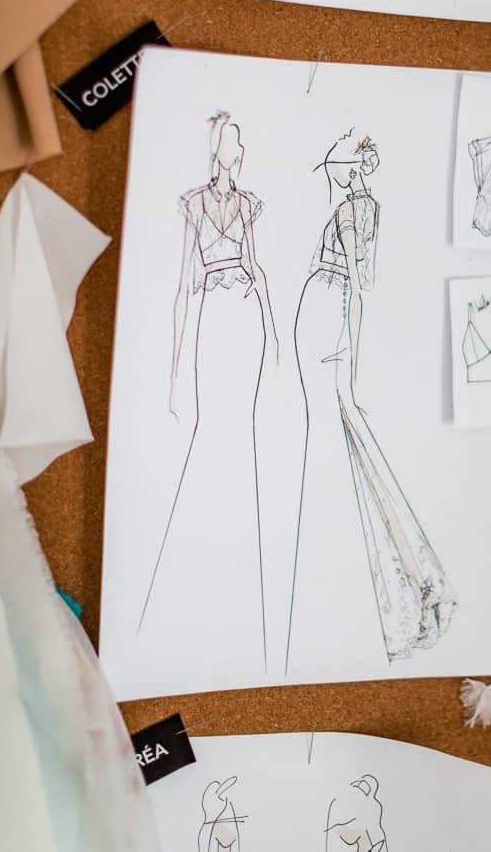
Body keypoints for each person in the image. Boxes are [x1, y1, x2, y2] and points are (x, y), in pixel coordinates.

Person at [283, 132, 455, 677]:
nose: (332, 170)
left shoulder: (355, 208)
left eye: (337, 163)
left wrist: (356, 360)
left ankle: (405, 587)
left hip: (327, 308)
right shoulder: (357, 207)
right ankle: (399, 586)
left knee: (343, 433)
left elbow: (362, 280)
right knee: (338, 434)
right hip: (322, 308)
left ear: (350, 167)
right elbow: (360, 278)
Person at [137, 112, 277, 668]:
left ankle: (238, 565)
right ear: (213, 149)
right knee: (208, 429)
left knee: (239, 430)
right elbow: (181, 282)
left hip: (245, 318)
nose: (229, 149)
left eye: (235, 143)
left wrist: (274, 330)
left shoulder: (249, 206)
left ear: (239, 155)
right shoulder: (193, 204)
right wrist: (174, 365)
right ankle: (195, 560)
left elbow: (258, 267)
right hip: (212, 316)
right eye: (222, 140)